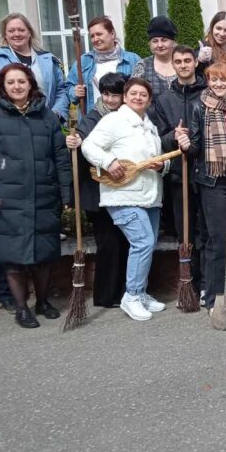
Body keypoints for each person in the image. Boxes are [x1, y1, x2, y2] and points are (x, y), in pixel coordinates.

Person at [0, 64, 72, 328]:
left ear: (30, 84)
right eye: (11, 82)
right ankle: (21, 308)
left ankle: (43, 301)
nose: (17, 86)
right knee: (13, 258)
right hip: (8, 198)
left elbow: (60, 157)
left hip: (44, 195)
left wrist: (66, 194)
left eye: (21, 81)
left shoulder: (47, 117)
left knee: (44, 254)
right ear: (3, 87)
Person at [82, 77, 170, 321]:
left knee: (148, 244)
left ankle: (140, 292)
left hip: (150, 195)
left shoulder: (149, 125)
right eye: (133, 93)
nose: (138, 97)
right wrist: (108, 162)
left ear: (149, 100)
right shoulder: (114, 120)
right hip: (122, 195)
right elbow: (89, 146)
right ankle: (131, 297)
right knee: (142, 242)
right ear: (125, 96)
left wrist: (162, 166)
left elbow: (159, 158)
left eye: (143, 94)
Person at [178, 62, 226, 311]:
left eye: (224, 79)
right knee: (219, 239)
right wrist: (185, 144)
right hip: (212, 181)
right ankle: (214, 296)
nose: (219, 84)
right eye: (214, 80)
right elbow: (195, 146)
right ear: (208, 81)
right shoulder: (198, 106)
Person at [64, 73, 129, 308]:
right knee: (109, 243)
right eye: (106, 94)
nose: (110, 99)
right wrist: (75, 142)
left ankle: (123, 291)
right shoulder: (92, 118)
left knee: (123, 241)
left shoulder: (128, 117)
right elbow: (81, 140)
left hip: (121, 189)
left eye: (116, 95)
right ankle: (106, 295)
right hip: (97, 194)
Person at [150, 46, 206, 283]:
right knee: (185, 231)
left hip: (205, 172)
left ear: (195, 63)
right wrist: (174, 136)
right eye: (178, 61)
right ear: (173, 65)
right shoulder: (164, 99)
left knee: (206, 229)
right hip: (178, 174)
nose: (183, 65)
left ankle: (207, 283)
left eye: (187, 60)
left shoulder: (207, 94)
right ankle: (190, 281)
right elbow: (158, 137)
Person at [56, 16, 141, 121]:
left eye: (99, 34)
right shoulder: (83, 61)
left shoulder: (132, 60)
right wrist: (74, 92)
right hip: (93, 121)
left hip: (126, 120)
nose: (95, 39)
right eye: (92, 36)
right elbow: (67, 88)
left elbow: (142, 90)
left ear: (112, 34)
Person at [132, 15, 178, 99]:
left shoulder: (183, 62)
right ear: (150, 44)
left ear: (173, 42)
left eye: (164, 40)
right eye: (155, 41)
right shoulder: (143, 66)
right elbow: (133, 96)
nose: (159, 45)